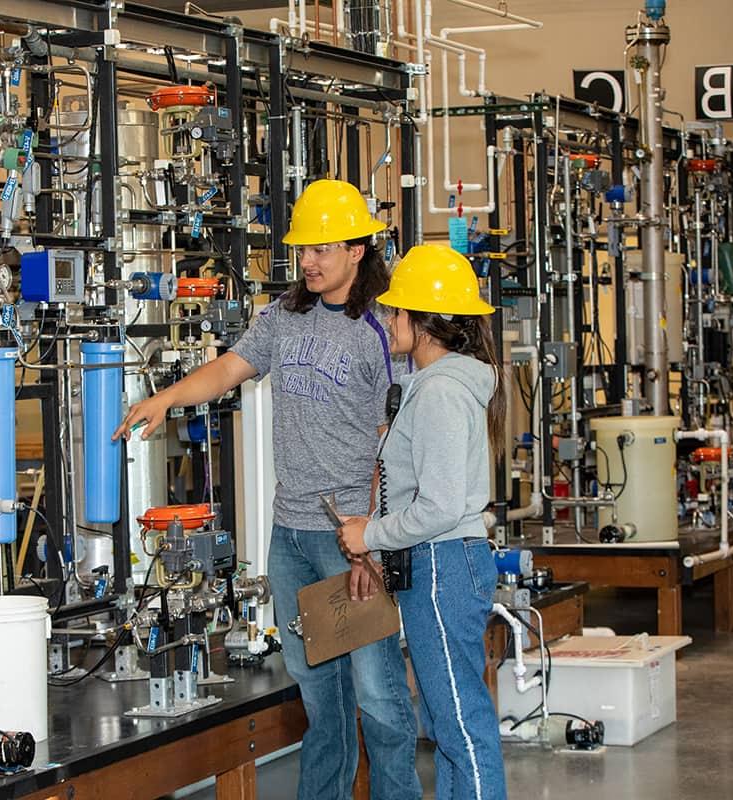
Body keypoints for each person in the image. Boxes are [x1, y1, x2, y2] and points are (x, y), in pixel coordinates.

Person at [114, 179, 421, 800]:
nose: (307, 261)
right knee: (320, 700)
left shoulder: (384, 326)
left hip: (351, 540)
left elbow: (398, 438)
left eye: (322, 249)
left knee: (380, 700)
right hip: (292, 539)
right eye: (302, 249)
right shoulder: (284, 317)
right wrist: (168, 398)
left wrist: (372, 542)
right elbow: (230, 367)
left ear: (358, 250)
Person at [337, 244, 508, 800]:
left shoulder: (439, 392)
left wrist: (370, 535)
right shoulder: (436, 386)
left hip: (442, 567)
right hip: (438, 566)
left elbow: (438, 506)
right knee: (447, 719)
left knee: (460, 723)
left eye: (395, 312)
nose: (388, 321)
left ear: (422, 321)